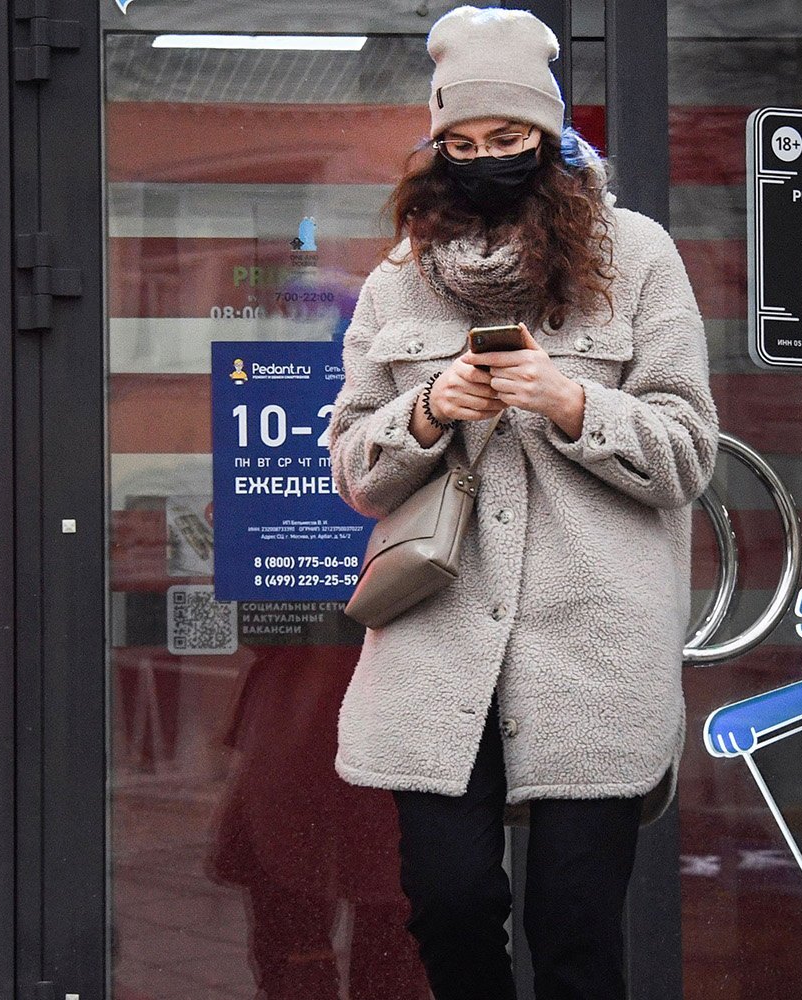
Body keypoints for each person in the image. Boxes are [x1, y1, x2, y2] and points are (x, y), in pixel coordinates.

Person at [325, 6, 719, 1000]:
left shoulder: (638, 257)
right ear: (438, 146)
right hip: (440, 636)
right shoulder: (397, 282)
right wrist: (427, 411)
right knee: (447, 898)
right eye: (464, 143)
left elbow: (688, 454)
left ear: (551, 137)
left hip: (593, 642)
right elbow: (354, 467)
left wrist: (571, 401)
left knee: (577, 923)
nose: (487, 160)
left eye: (508, 142)